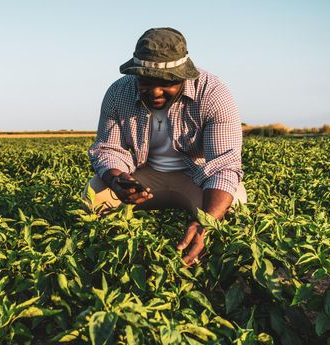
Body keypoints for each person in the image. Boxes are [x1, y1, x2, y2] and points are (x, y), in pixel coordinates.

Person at [84, 27, 247, 266]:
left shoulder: (213, 93)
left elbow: (224, 164)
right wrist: (118, 179)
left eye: (167, 83)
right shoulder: (119, 92)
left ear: (183, 75)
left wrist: (207, 222)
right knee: (94, 197)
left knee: (233, 206)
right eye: (146, 83)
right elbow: (108, 149)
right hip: (145, 176)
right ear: (136, 75)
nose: (156, 92)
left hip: (195, 176)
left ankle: (199, 229)